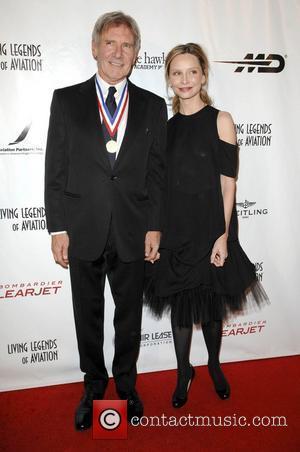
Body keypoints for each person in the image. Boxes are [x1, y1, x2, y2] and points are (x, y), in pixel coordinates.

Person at [44, 11, 166, 429]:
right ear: (94, 47)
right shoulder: (66, 99)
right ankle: (94, 385)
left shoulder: (153, 105)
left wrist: (154, 225)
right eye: (110, 43)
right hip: (83, 229)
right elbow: (55, 169)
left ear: (136, 54)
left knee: (129, 315)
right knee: (88, 314)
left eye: (127, 45)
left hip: (134, 229)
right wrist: (58, 228)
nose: (118, 52)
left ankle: (127, 386)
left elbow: (156, 173)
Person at [144, 43, 268, 408]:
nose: (185, 80)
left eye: (192, 72)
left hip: (213, 226)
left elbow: (228, 183)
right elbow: (158, 187)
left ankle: (214, 364)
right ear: (169, 78)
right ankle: (184, 371)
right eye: (177, 73)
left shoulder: (221, 120)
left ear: (203, 75)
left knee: (212, 307)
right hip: (175, 230)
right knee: (181, 310)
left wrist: (223, 236)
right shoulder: (163, 129)